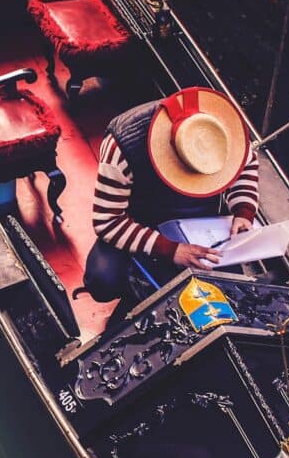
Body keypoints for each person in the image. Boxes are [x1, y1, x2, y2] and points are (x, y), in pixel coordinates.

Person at [83, 86, 259, 303]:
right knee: (102, 281)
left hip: (199, 222)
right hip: (140, 219)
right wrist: (170, 250)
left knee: (227, 292)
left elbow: (247, 164)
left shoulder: (221, 130)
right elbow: (107, 221)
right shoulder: (121, 147)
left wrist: (243, 211)